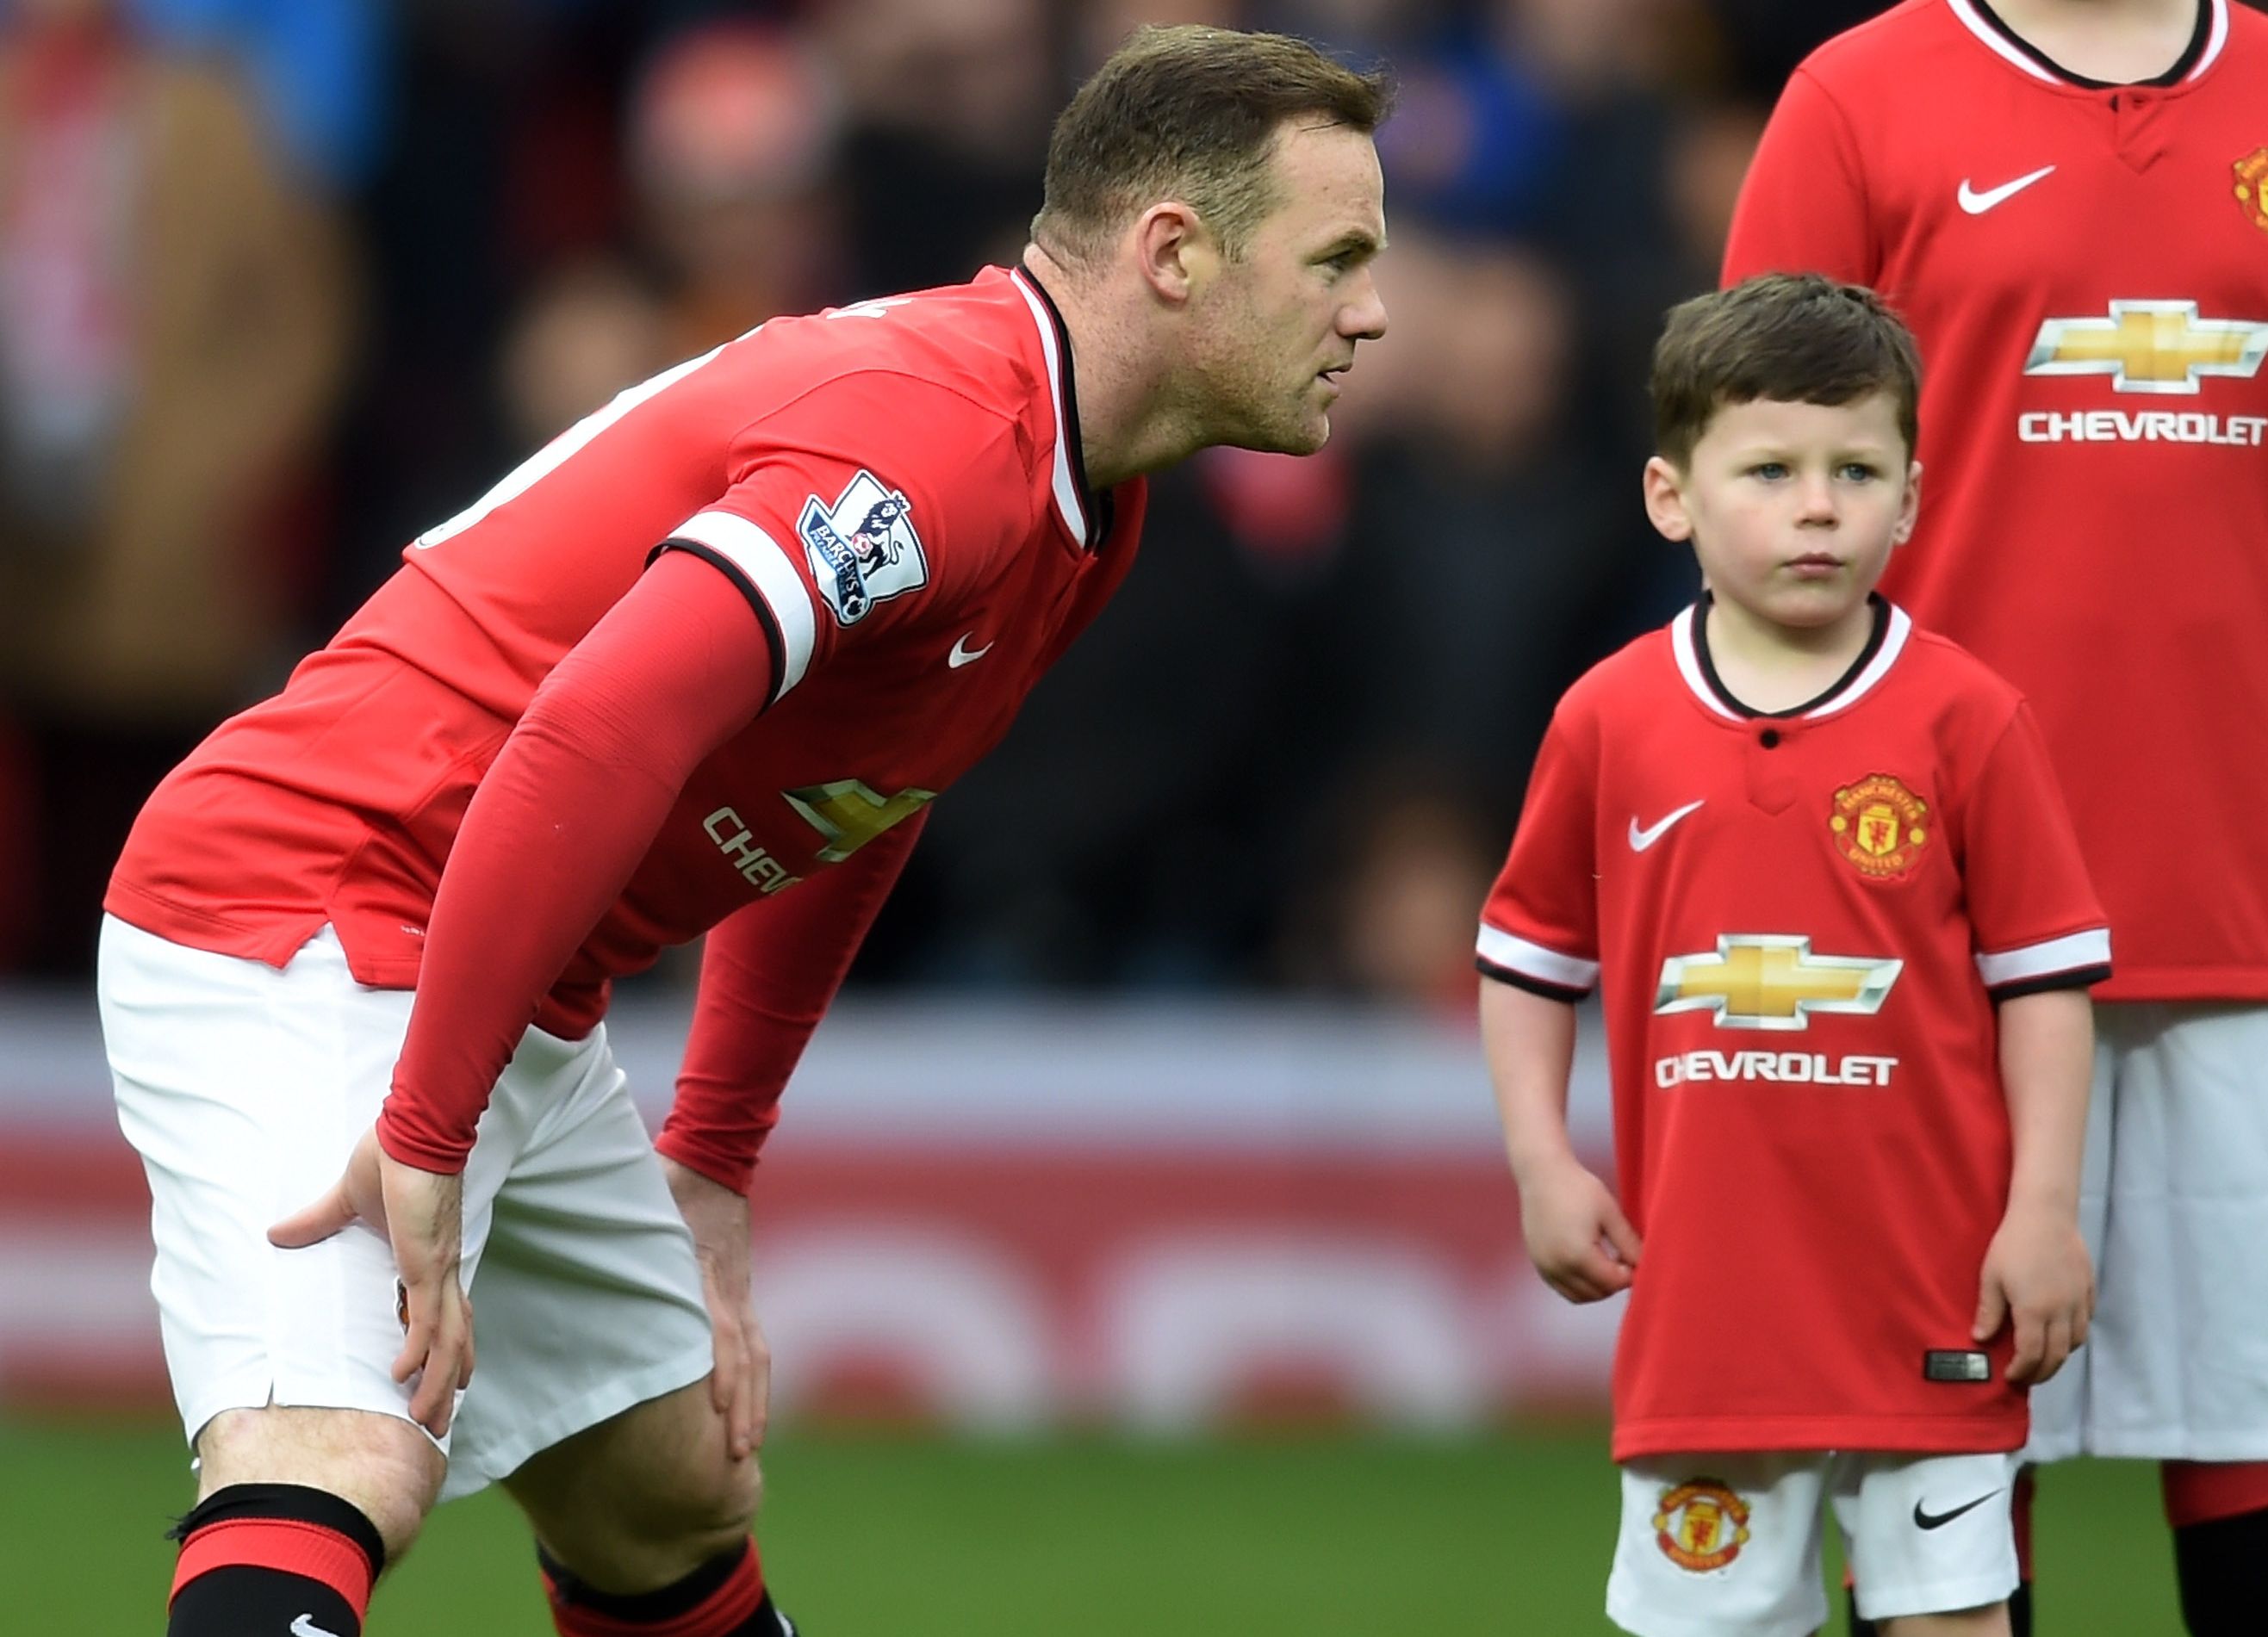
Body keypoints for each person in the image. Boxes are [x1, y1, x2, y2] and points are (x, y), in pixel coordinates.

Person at [96, 25, 1391, 1637]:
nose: (1371, 309)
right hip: (312, 895)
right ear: (1175, 253)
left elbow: (853, 787)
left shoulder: (1083, 485)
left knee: (670, 1482)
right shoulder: (933, 439)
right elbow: (599, 721)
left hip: (503, 948)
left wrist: (710, 1155)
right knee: (342, 1450)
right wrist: (427, 1129)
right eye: (1334, 256)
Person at [1720, 4, 2268, 1632]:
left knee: (2250, 1438)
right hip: (1928, 907)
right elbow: (1753, 475)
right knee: (1943, 1461)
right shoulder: (1858, 97)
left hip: (2244, 892)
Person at [1476, 273, 2109, 1637]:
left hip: (1933, 1299)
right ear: (1671, 494)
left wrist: (2041, 1208)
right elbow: (1526, 957)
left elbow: (2043, 986)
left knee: (1952, 1625)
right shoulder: (1609, 717)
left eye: (1854, 469)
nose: (1816, 505)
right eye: (1767, 468)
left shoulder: (1969, 719)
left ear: (1911, 496)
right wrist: (1540, 1158)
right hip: (1710, 1318)